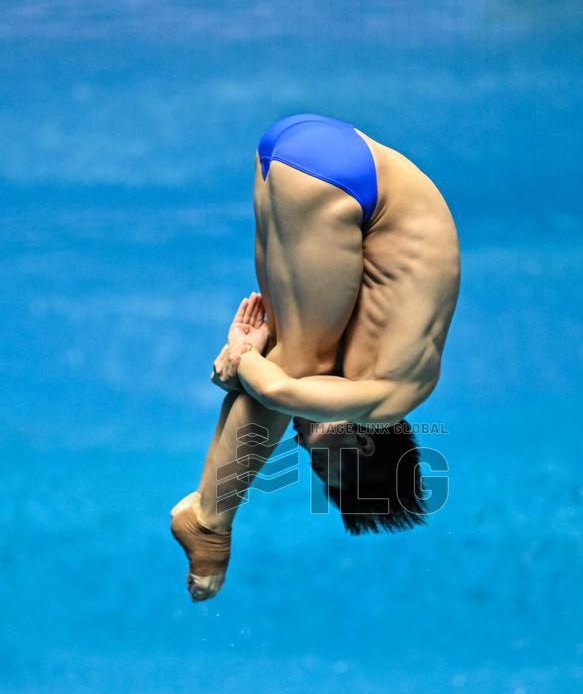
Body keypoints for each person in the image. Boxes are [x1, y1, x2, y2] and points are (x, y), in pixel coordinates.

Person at [171, 113, 460, 601]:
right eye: (321, 463)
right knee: (295, 372)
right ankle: (211, 523)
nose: (301, 446)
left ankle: (208, 514)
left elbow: (272, 364)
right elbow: (279, 387)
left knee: (294, 357)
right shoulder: (389, 396)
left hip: (309, 154)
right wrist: (240, 359)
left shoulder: (365, 366)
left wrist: (241, 364)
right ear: (362, 444)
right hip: (342, 181)